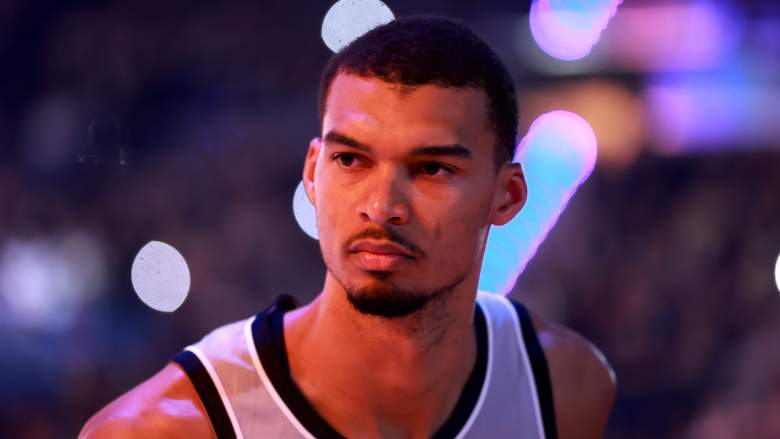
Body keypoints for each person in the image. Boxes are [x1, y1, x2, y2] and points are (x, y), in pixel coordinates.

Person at [80, 15, 615, 439]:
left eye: (432, 169)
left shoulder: (567, 387)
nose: (382, 207)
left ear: (509, 195)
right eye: (351, 160)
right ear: (313, 172)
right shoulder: (160, 428)